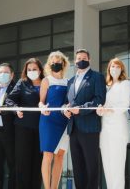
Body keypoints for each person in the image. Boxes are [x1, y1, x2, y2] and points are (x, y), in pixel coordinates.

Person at [64, 49, 107, 189]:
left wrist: (81, 109)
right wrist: (65, 109)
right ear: (75, 61)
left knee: (91, 166)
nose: (81, 60)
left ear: (89, 60)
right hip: (73, 128)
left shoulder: (97, 77)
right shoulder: (71, 81)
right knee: (78, 167)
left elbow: (99, 99)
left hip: (89, 128)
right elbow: (67, 101)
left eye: (84, 58)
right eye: (78, 58)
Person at [5, 58, 44, 189]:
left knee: (38, 163)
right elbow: (10, 100)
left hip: (42, 128)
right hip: (23, 128)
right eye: (29, 69)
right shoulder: (22, 83)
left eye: (34, 69)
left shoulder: (46, 82)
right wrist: (16, 109)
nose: (32, 71)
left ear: (40, 70)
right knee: (23, 162)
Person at [97, 58, 130, 189]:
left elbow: (125, 104)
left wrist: (109, 109)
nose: (115, 69)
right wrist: (100, 110)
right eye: (112, 66)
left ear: (121, 69)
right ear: (109, 69)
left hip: (118, 127)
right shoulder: (106, 86)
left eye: (117, 66)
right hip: (105, 129)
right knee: (107, 165)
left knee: (117, 165)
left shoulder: (125, 84)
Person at [39, 51, 71, 189]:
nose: (55, 64)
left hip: (64, 121)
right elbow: (41, 102)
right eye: (52, 62)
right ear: (49, 64)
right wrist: (42, 107)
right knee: (48, 154)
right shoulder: (46, 80)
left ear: (63, 64)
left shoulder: (68, 82)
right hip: (49, 120)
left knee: (60, 156)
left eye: (58, 62)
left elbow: (69, 101)